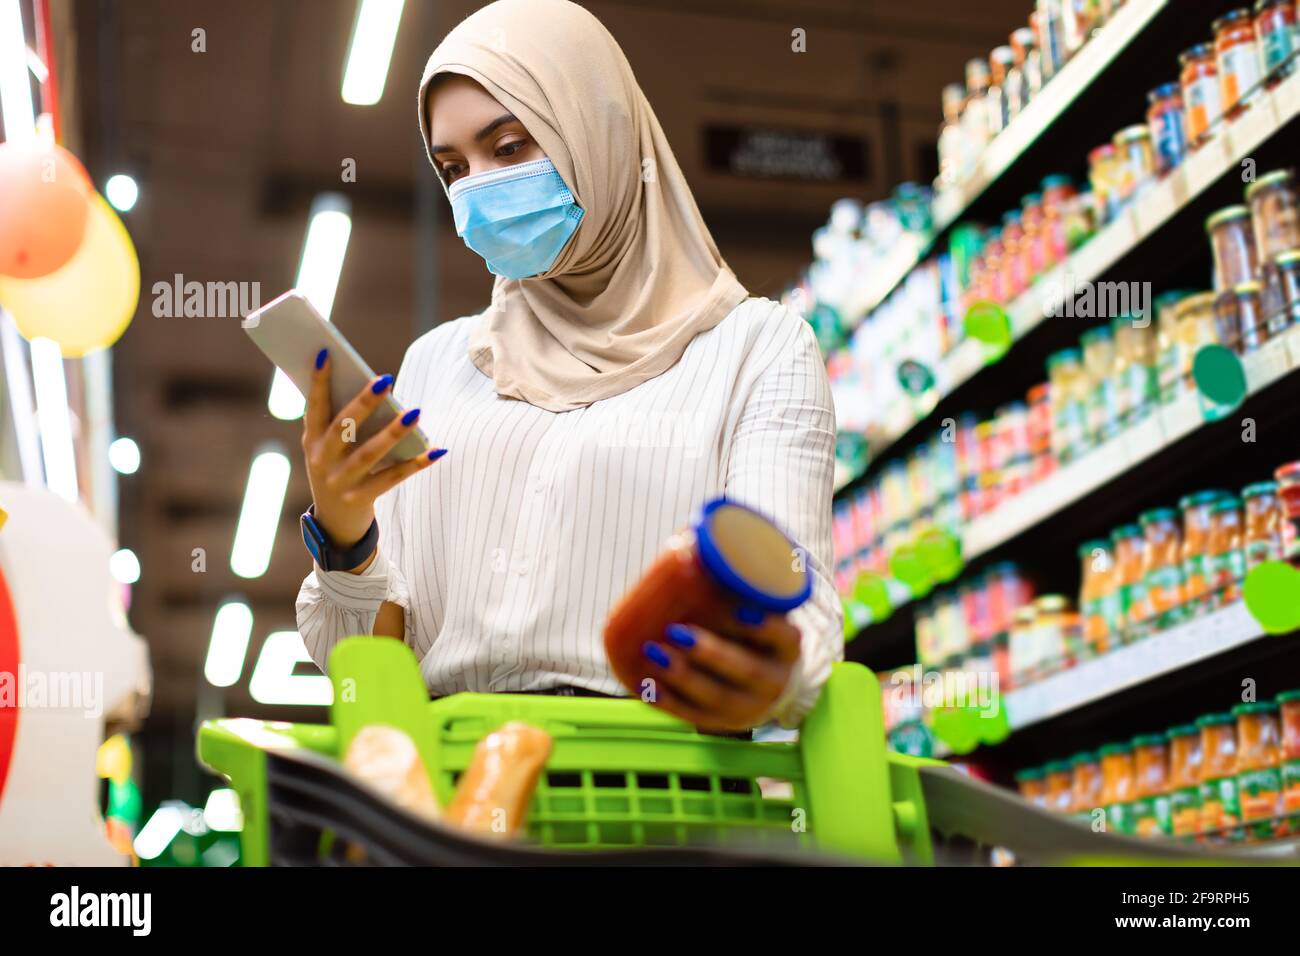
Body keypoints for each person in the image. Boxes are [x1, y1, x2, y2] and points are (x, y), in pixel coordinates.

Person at [296, 0, 841, 732]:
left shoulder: (756, 348)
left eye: (511, 148)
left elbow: (796, 599)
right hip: (451, 791)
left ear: (599, 129)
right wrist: (347, 534)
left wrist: (771, 669)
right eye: (453, 167)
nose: (477, 191)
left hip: (665, 796)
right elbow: (368, 672)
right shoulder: (436, 365)